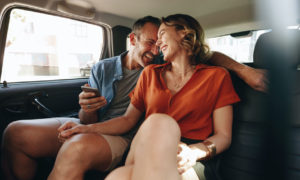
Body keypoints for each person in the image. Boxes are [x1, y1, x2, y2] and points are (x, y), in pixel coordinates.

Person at [2, 15, 264, 180]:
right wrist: (86, 126)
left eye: (162, 35)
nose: (158, 44)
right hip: (144, 144)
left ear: (185, 34)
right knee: (160, 121)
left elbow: (223, 136)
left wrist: (195, 152)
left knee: (118, 176)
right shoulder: (150, 74)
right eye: (153, 38)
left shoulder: (216, 76)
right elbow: (128, 121)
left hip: (188, 153)